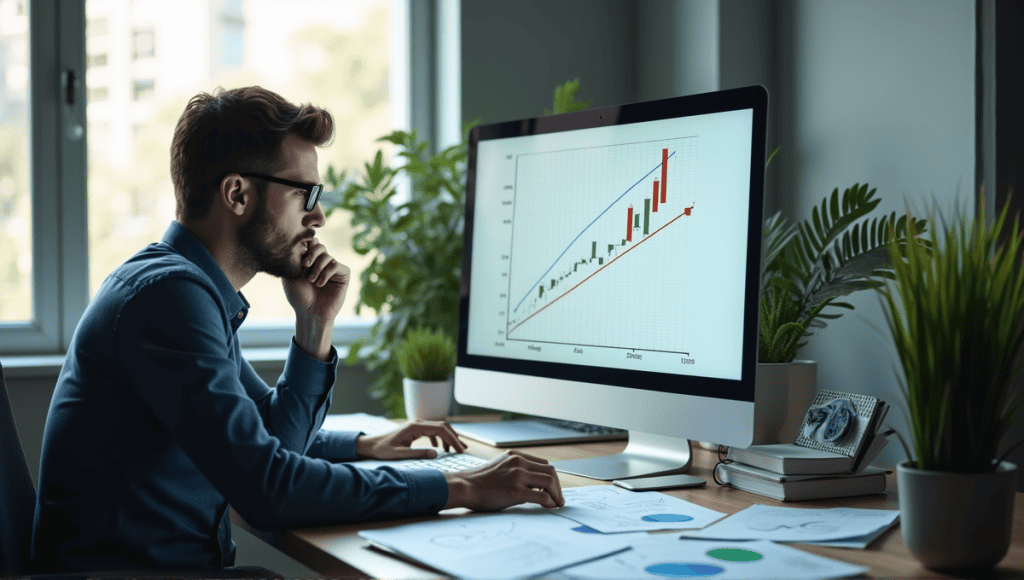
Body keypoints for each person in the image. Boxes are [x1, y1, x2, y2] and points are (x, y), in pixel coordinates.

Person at [31, 86, 564, 573]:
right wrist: (461, 484)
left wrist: (316, 333)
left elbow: (262, 438)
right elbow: (267, 489)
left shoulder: (183, 287)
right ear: (237, 195)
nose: (318, 217)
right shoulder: (169, 298)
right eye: (305, 194)